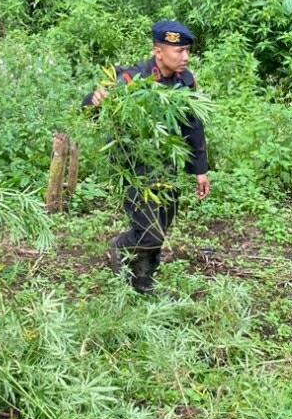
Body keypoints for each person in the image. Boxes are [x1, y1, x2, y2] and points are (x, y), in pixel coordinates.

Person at [84, 21, 212, 294]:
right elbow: (94, 107)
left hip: (168, 168)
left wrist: (200, 169)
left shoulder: (185, 81)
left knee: (161, 229)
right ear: (158, 51)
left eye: (187, 51)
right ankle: (120, 247)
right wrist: (94, 100)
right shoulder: (132, 80)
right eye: (179, 51)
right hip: (135, 168)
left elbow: (194, 127)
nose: (185, 57)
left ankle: (143, 282)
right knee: (149, 232)